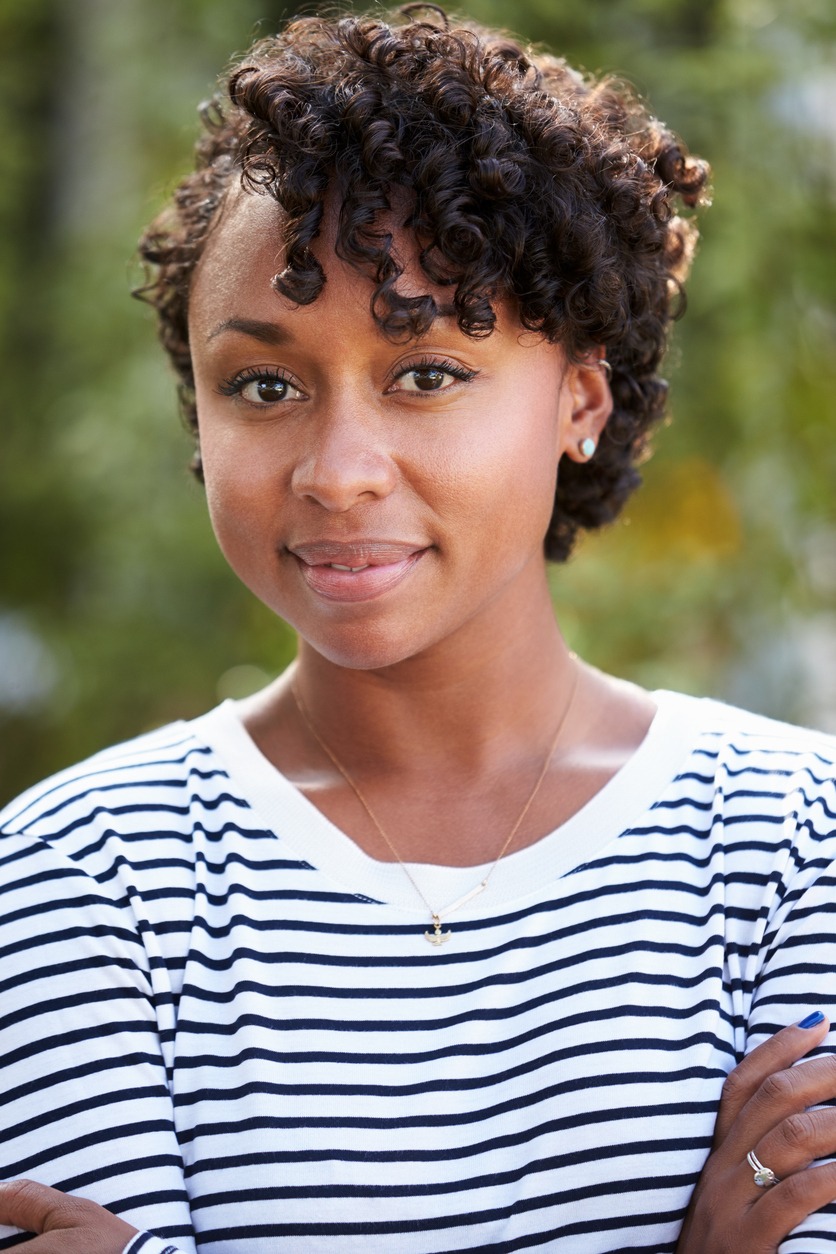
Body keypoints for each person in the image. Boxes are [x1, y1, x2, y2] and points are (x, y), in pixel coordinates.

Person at [2, 7, 836, 1252]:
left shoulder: (791, 846)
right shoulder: (77, 883)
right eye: (265, 385)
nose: (337, 472)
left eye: (427, 374)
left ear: (579, 400)